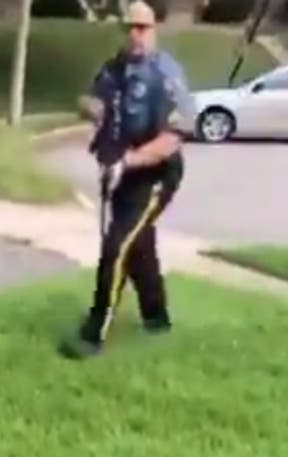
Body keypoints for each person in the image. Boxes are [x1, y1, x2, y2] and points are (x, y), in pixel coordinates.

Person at [73, 0, 194, 357]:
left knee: (117, 247)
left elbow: (172, 137)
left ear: (154, 30)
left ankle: (93, 334)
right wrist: (90, 109)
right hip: (120, 172)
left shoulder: (166, 74)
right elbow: (91, 100)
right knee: (140, 246)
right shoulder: (112, 69)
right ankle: (157, 318)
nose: (135, 35)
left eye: (142, 28)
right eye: (129, 28)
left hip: (156, 174)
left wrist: (127, 161)